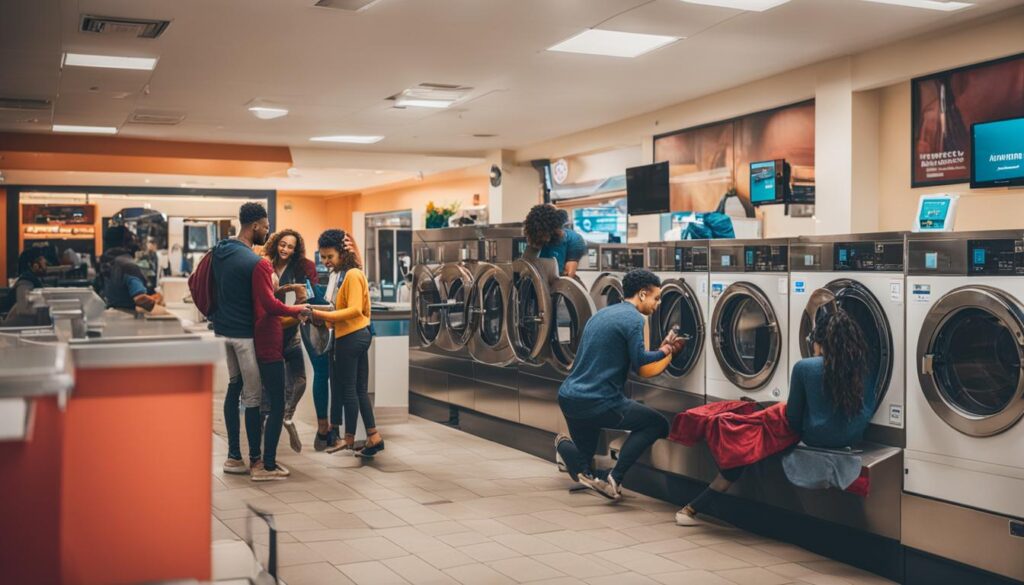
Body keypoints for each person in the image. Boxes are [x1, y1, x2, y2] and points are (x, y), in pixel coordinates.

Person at [675, 308, 873, 526]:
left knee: (749, 435)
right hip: (852, 437)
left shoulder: (805, 368)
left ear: (819, 341)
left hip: (815, 437)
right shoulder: (862, 368)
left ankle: (697, 504)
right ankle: (693, 507)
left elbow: (793, 418)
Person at [556, 268, 686, 500]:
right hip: (599, 401)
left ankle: (578, 463)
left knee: (585, 462)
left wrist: (659, 351)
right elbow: (640, 362)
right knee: (656, 424)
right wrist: (667, 350)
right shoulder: (635, 318)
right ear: (643, 294)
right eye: (656, 298)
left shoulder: (601, 314)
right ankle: (615, 477)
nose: (657, 305)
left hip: (570, 397)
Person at [214, 202, 309, 480]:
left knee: (234, 387)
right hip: (247, 334)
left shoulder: (219, 251)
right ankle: (259, 464)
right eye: (266, 227)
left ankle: (234, 457)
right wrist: (297, 309)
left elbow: (199, 283)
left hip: (223, 330)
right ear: (255, 225)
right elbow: (268, 303)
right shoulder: (256, 262)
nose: (268, 232)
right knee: (254, 397)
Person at [312, 229, 384, 457]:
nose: (325, 262)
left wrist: (319, 314)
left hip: (350, 337)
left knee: (349, 390)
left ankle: (348, 438)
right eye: (322, 257)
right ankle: (373, 437)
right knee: (361, 390)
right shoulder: (349, 273)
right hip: (359, 335)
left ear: (342, 252)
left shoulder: (352, 275)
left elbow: (352, 310)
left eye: (329, 256)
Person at [263, 229, 318, 453]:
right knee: (269, 387)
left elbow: (309, 296)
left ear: (296, 250)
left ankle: (287, 416)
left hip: (292, 333)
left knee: (300, 380)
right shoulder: (265, 265)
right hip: (271, 334)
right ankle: (268, 426)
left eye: (290, 247)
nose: (285, 249)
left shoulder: (300, 268)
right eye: (283, 244)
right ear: (276, 243)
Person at [97, 225, 163, 312]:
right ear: (126, 243)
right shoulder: (128, 265)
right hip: (129, 318)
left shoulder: (107, 262)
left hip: (111, 315)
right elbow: (140, 298)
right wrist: (157, 301)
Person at [523, 203, 587, 277]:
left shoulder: (575, 241)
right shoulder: (536, 236)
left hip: (561, 281)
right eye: (542, 236)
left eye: (546, 235)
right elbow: (525, 266)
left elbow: (568, 277)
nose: (546, 239)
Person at [2, 247, 49, 325]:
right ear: (34, 265)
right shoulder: (26, 282)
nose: (45, 261)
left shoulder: (30, 279)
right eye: (41, 259)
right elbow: (24, 311)